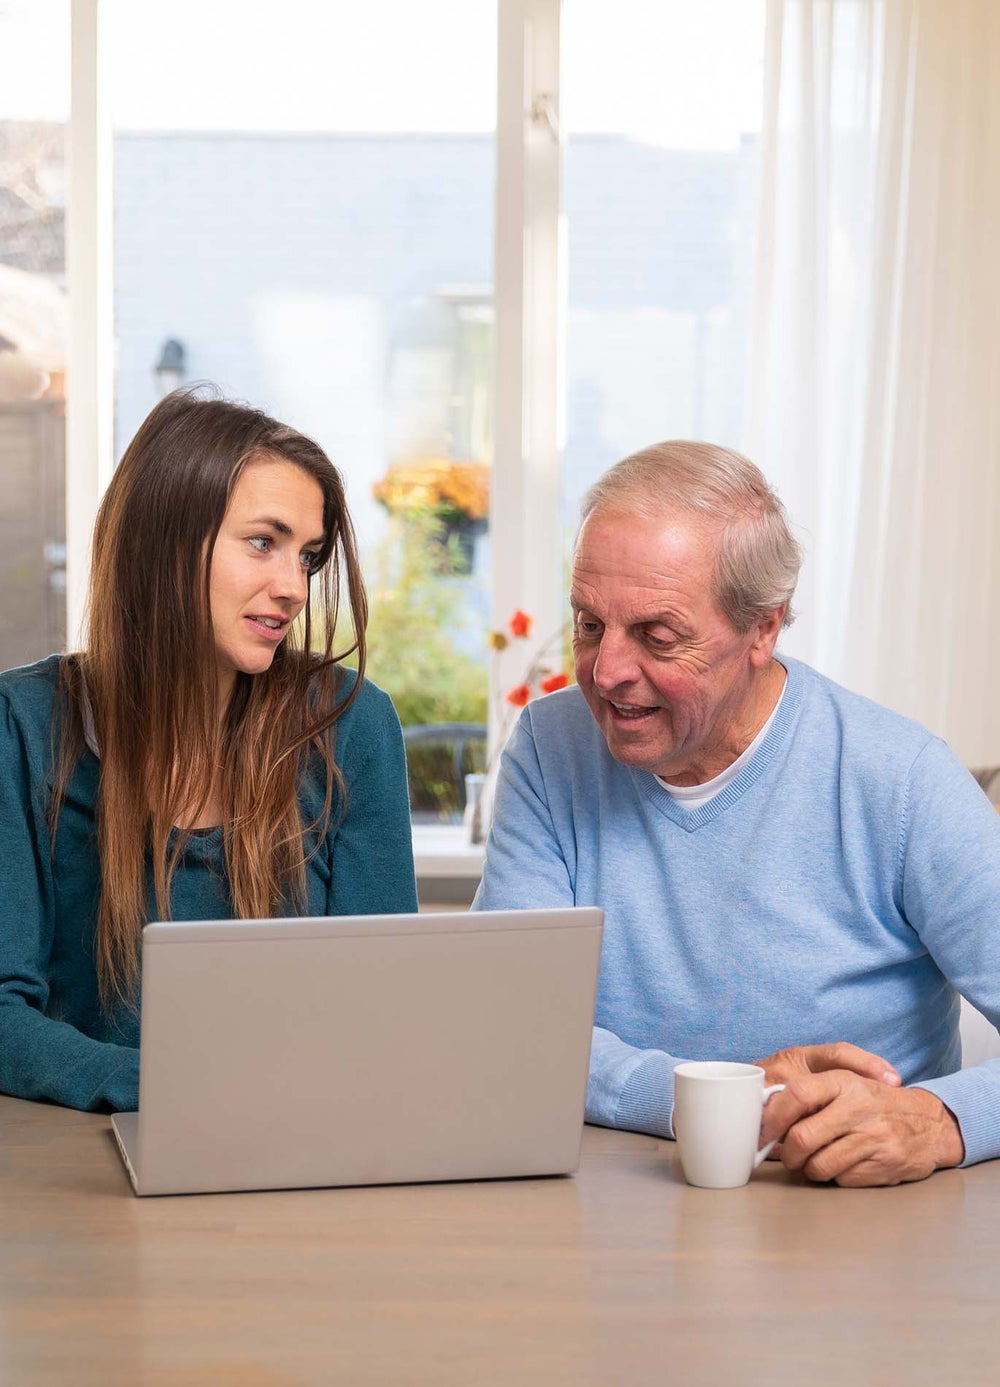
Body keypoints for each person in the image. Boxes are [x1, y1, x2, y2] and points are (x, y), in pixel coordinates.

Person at [474, 441, 1000, 1186]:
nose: (606, 671)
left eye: (657, 635)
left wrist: (940, 1119)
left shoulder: (901, 778)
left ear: (763, 628)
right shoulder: (549, 745)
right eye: (589, 623)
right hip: (604, 1208)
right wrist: (724, 1098)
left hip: (854, 1222)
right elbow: (508, 1023)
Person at [0, 390, 417, 1112]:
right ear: (163, 540)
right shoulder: (25, 725)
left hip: (301, 1154)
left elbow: (385, 1010)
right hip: (83, 1175)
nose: (293, 587)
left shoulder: (352, 725)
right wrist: (178, 1092)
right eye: (264, 542)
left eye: (307, 556)